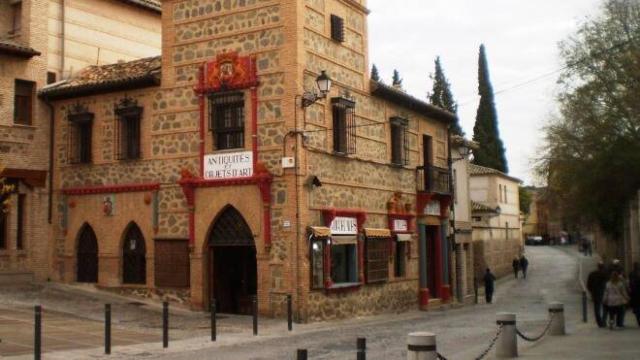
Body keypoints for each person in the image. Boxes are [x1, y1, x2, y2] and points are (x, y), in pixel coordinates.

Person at [587, 262, 608, 328]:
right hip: (604, 293)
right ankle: (604, 321)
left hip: (595, 294)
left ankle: (599, 323)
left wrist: (592, 291)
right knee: (605, 308)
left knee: (597, 309)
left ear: (598, 266)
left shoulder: (592, 274)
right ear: (603, 267)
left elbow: (588, 285)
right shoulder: (605, 274)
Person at [629, 262, 640, 327]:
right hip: (636, 292)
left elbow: (630, 283)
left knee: (636, 307)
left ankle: (638, 319)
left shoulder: (631, 274)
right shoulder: (633, 274)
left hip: (634, 293)